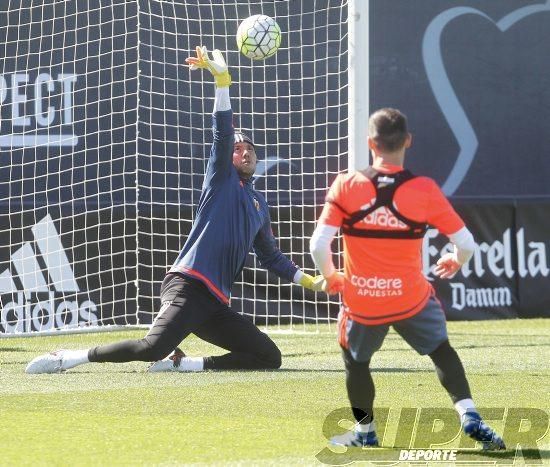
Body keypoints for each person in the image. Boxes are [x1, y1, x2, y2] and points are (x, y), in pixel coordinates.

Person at [26, 46, 324, 375]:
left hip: (214, 303)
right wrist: (222, 81)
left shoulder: (258, 205)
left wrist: (308, 280)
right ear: (228, 157)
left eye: (250, 148)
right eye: (238, 149)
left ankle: (185, 363)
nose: (245, 152)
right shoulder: (220, 180)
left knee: (269, 357)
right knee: (151, 347)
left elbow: (270, 257)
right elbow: (222, 131)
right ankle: (67, 358)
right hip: (188, 285)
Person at [310, 108, 506, 450]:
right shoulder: (424, 189)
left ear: (371, 143)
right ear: (408, 141)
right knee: (441, 351)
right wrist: (455, 261)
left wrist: (331, 277)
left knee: (355, 361)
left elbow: (317, 245)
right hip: (411, 299)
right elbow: (467, 244)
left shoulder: (346, 184)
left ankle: (365, 433)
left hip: (363, 302)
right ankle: (468, 413)